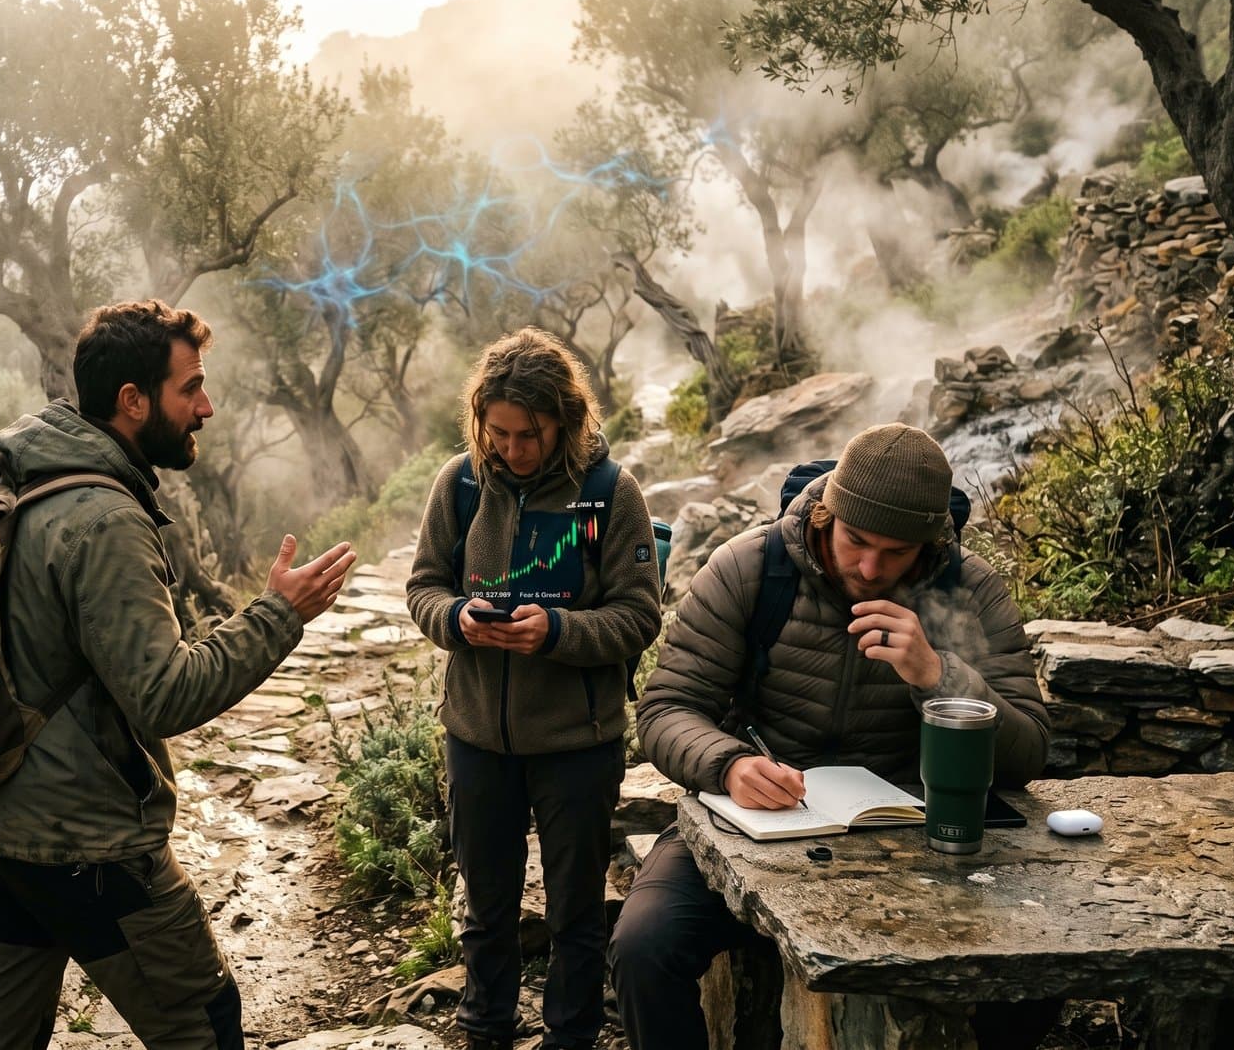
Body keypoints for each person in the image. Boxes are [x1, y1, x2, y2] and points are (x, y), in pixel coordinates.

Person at [0, 299, 358, 1050]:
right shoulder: (102, 518)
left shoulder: (14, 474)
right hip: (87, 847)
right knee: (204, 1024)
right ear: (132, 401)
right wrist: (278, 614)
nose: (206, 405)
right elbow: (163, 693)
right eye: (190, 387)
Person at [608, 423, 1052, 1050]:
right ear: (826, 512)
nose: (870, 568)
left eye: (895, 553)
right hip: (753, 818)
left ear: (928, 543)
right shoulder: (750, 568)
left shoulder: (967, 589)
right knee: (643, 946)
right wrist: (730, 765)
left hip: (909, 823)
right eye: (857, 541)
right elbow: (666, 709)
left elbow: (1028, 748)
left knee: (1036, 965)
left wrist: (938, 674)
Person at [406, 328, 664, 1050]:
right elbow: (422, 586)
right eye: (498, 433)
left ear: (566, 421)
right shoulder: (459, 484)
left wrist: (556, 632)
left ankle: (570, 1036)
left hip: (577, 745)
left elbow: (640, 614)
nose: (512, 449)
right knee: (486, 907)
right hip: (477, 739)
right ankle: (485, 1028)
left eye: (529, 434)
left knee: (576, 912)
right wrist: (456, 618)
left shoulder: (612, 494)